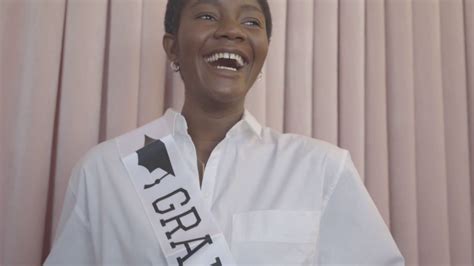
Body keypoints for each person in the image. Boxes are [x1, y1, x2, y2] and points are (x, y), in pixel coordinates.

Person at [44, 0, 405, 265]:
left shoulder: (322, 169)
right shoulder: (105, 170)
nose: (232, 30)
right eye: (207, 15)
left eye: (251, 21)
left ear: (262, 52)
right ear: (172, 48)